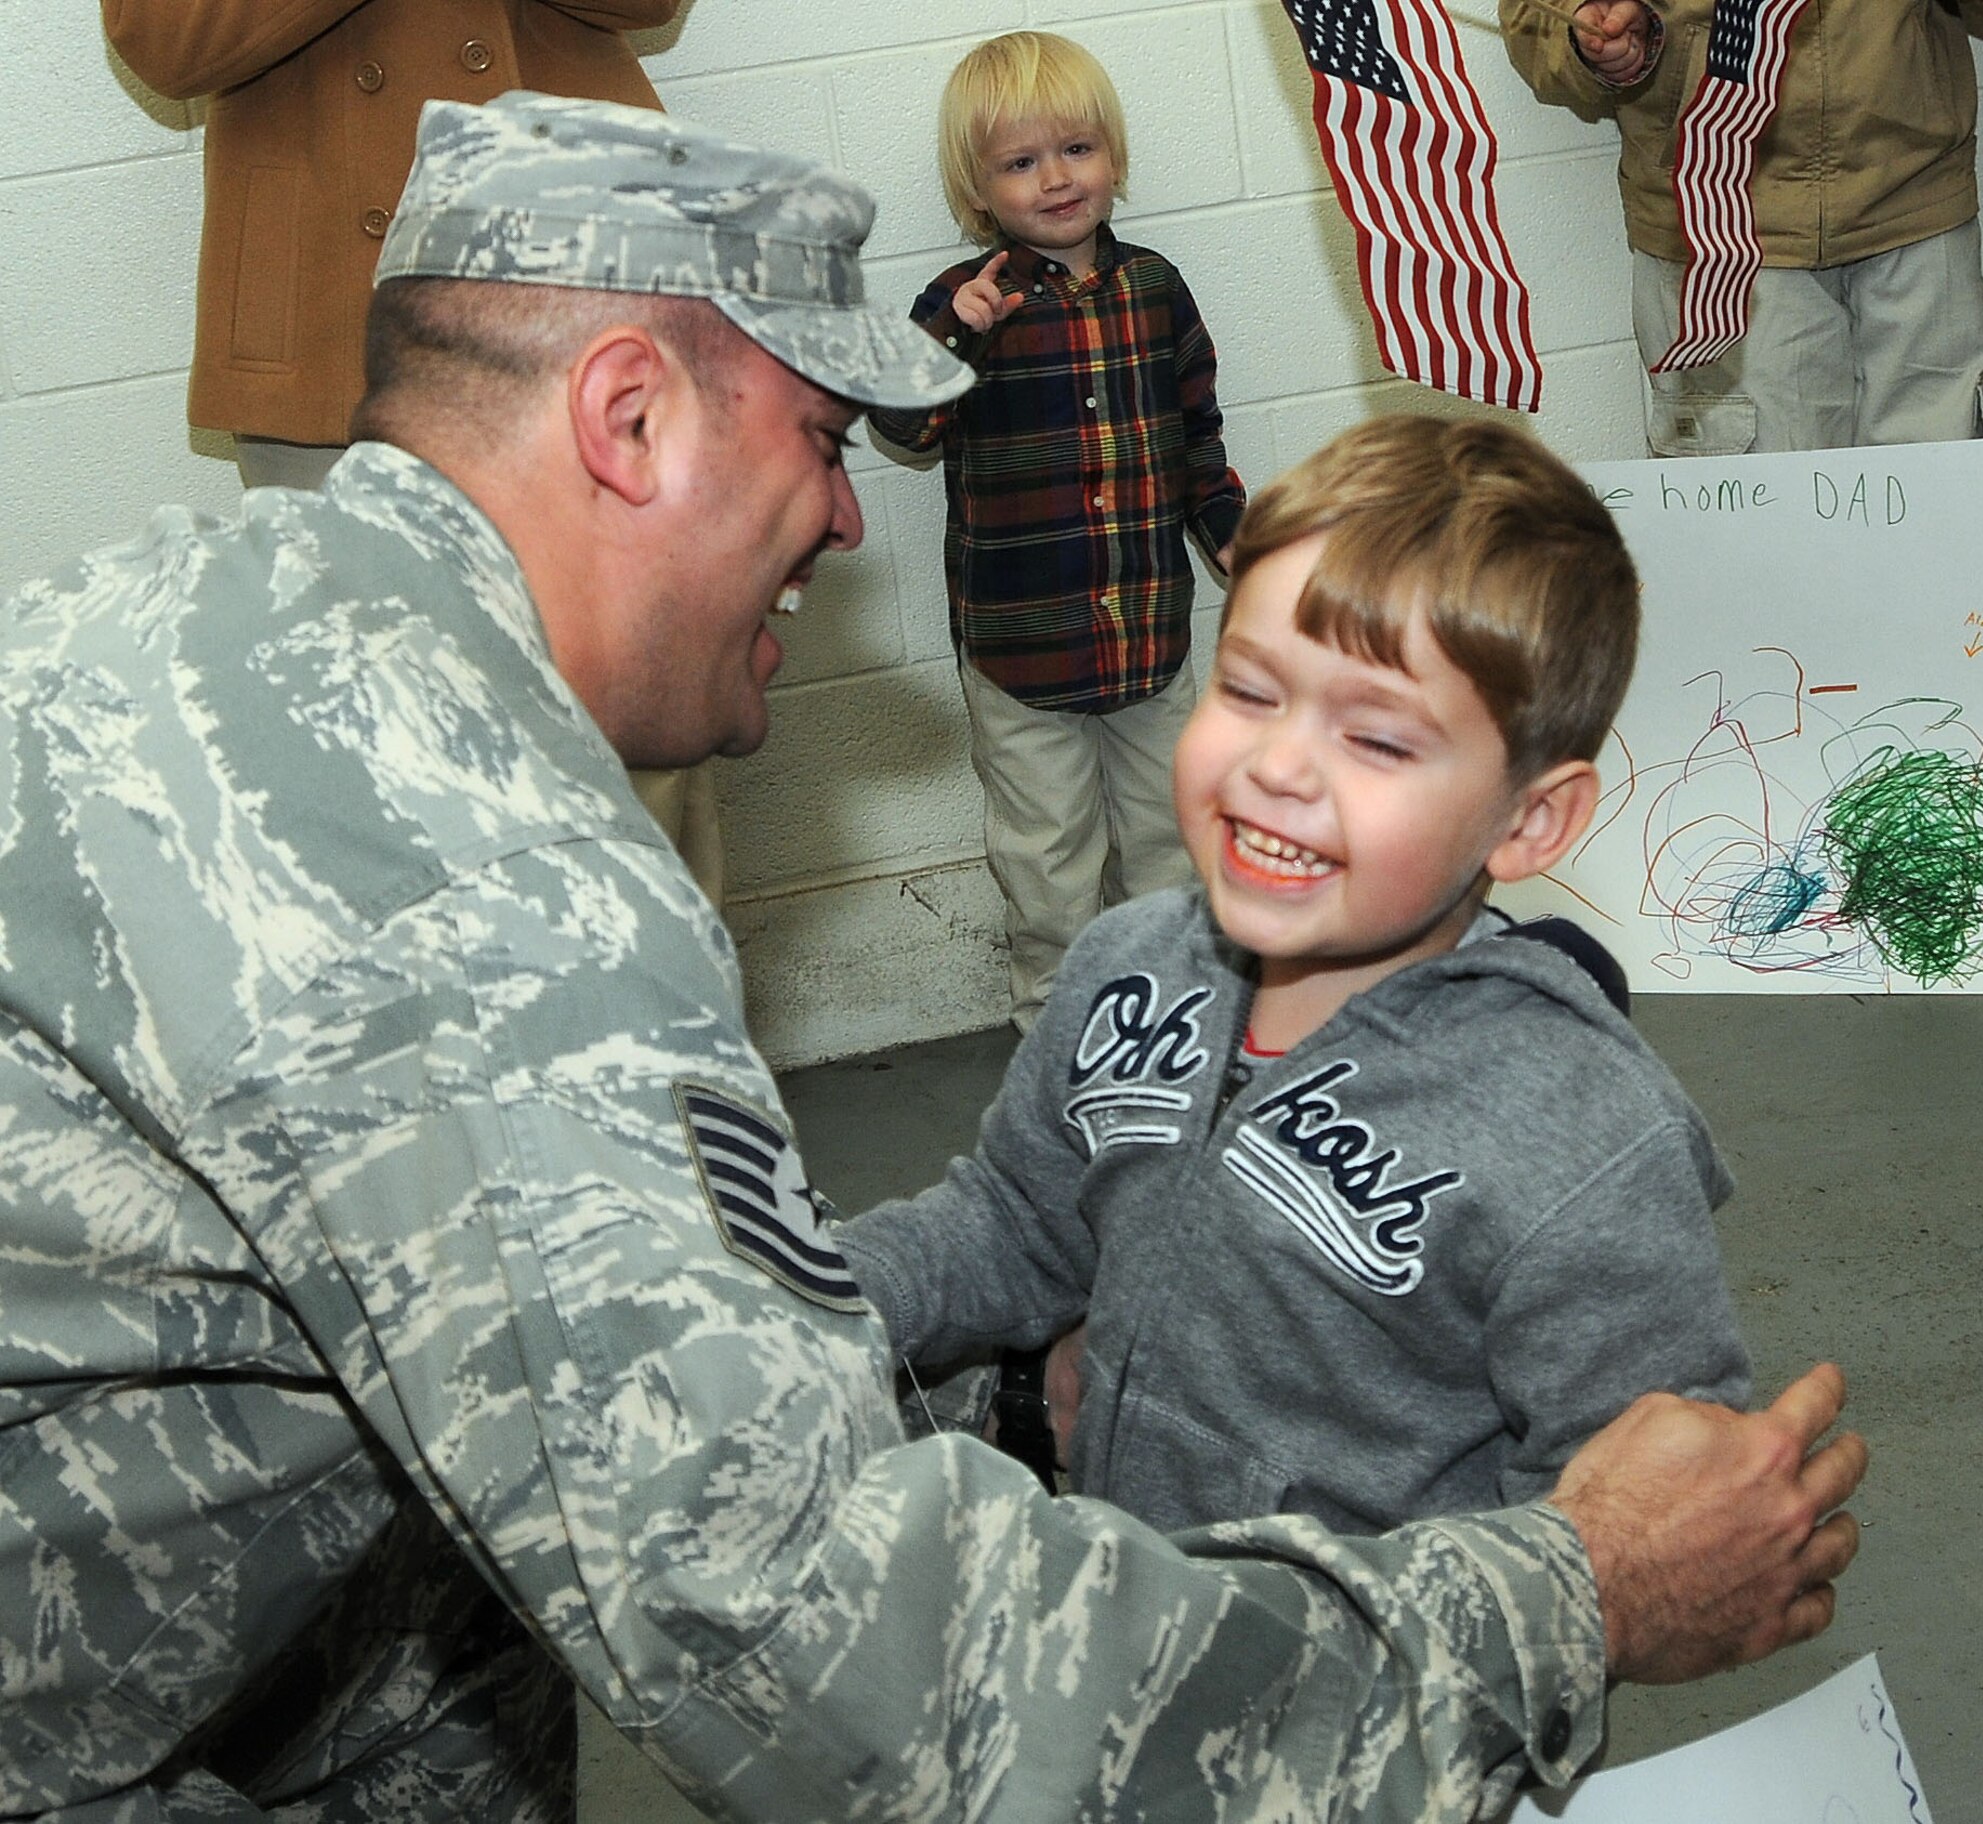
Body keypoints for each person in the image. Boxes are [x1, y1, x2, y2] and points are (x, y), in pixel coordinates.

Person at [0, 91, 1867, 1824]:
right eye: (820, 439)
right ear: (628, 417)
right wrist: (1566, 1600)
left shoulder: (177, 611)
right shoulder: (477, 887)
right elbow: (811, 1633)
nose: (840, 511)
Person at [839, 416, 1755, 1536]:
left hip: (1379, 1684)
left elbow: (1626, 1518)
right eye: (1250, 691)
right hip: (1130, 1615)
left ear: (1528, 818)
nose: (1275, 767)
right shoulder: (1126, 967)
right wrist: (806, 1295)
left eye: (1375, 740)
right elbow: (1013, 1223)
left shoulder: (1587, 1149)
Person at [97, 0, 724, 905]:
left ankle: (665, 1026)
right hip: (330, 328)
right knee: (374, 752)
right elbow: (164, 37)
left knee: (629, 721)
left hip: (573, 275)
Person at [871, 31, 1244, 1031]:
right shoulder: (962, 305)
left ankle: (1171, 1016)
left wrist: (1237, 543)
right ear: (976, 188)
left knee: (1170, 834)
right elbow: (901, 426)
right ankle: (1057, 1025)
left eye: (1075, 149)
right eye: (1018, 162)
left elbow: (1196, 443)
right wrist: (954, 334)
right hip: (1019, 649)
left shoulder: (1155, 290)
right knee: (1045, 856)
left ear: (1111, 154)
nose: (1054, 178)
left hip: (1148, 640)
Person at [1500, 0, 1983, 455]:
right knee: (1759, 535)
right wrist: (1584, 29)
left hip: (1917, 208)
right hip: (1714, 220)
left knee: (1937, 526)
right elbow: (1534, 13)